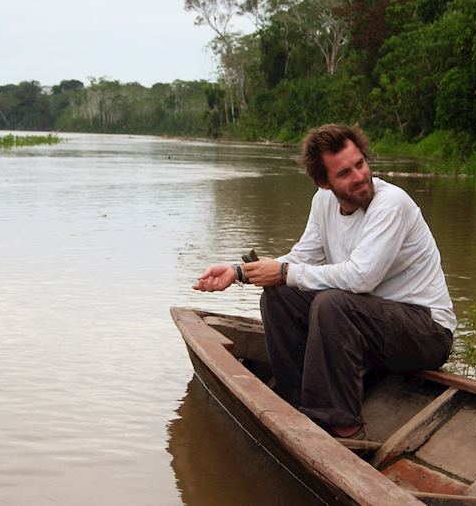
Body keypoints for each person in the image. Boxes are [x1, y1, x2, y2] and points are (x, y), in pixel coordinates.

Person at [193, 123, 455, 439]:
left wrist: (286, 272)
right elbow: (301, 258)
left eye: (360, 164)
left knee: (333, 302)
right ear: (324, 182)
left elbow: (361, 277)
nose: (359, 177)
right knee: (280, 295)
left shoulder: (391, 203)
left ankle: (344, 426)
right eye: (344, 173)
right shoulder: (323, 202)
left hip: (426, 332)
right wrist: (238, 272)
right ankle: (297, 403)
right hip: (375, 325)